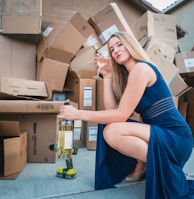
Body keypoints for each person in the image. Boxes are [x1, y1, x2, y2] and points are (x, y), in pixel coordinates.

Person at [58, 31, 194, 198]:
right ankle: (144, 163)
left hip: (176, 137)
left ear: (130, 45)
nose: (115, 50)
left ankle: (153, 165)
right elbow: (112, 110)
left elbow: (120, 115)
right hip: (158, 134)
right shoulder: (129, 76)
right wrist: (107, 75)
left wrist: (79, 113)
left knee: (112, 131)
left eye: (119, 44)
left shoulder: (141, 69)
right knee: (110, 128)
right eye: (112, 48)